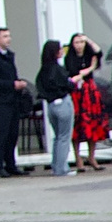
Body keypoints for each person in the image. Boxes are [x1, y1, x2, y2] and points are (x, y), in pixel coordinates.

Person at [0, 27, 29, 177]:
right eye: (4, 36)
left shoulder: (9, 56)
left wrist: (18, 84)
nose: (8, 39)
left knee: (13, 133)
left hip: (13, 99)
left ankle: (11, 164)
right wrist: (12, 84)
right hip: (1, 101)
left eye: (9, 36)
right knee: (2, 132)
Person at [66, 32, 107, 170]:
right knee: (77, 124)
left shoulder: (90, 55)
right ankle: (78, 158)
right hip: (77, 93)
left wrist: (88, 39)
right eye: (77, 42)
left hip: (90, 91)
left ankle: (91, 156)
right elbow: (75, 73)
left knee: (93, 122)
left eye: (81, 42)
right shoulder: (69, 58)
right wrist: (90, 68)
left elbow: (99, 52)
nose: (79, 45)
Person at [36, 39, 75, 175]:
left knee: (58, 136)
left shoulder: (43, 70)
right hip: (63, 103)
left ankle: (56, 166)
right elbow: (68, 85)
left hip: (51, 104)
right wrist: (72, 83)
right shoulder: (58, 69)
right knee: (64, 136)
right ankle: (62, 169)